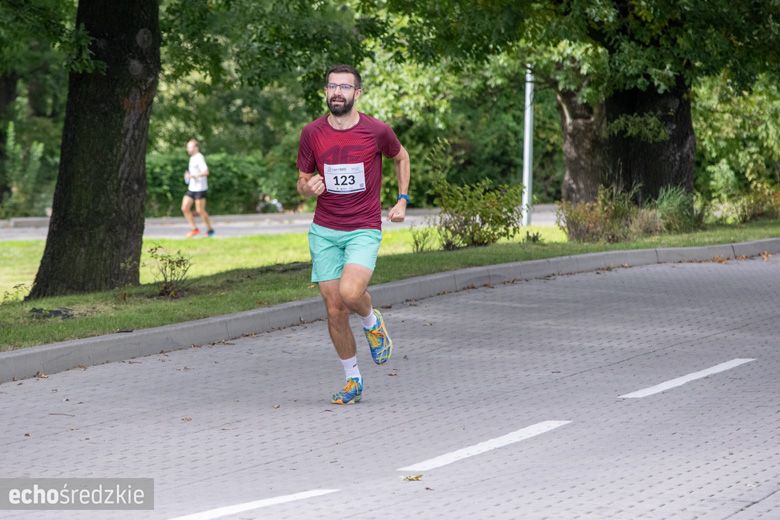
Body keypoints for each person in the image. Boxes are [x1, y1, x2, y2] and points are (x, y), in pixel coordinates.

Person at [297, 64, 411, 405]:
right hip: (325, 231)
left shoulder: (376, 131)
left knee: (350, 293)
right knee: (334, 309)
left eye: (345, 87)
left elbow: (401, 156)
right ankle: (353, 380)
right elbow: (302, 181)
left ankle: (372, 321)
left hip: (362, 228)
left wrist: (402, 199)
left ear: (357, 93)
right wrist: (308, 186)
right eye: (332, 86)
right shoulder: (311, 133)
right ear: (325, 92)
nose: (337, 92)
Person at [182, 138, 214, 238]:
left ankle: (210, 230)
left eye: (190, 147)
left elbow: (206, 172)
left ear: (196, 147)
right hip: (192, 188)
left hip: (200, 188)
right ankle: (194, 229)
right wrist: (188, 175)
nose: (188, 149)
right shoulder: (192, 158)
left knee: (200, 211)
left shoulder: (199, 157)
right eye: (187, 147)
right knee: (185, 208)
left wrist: (194, 176)